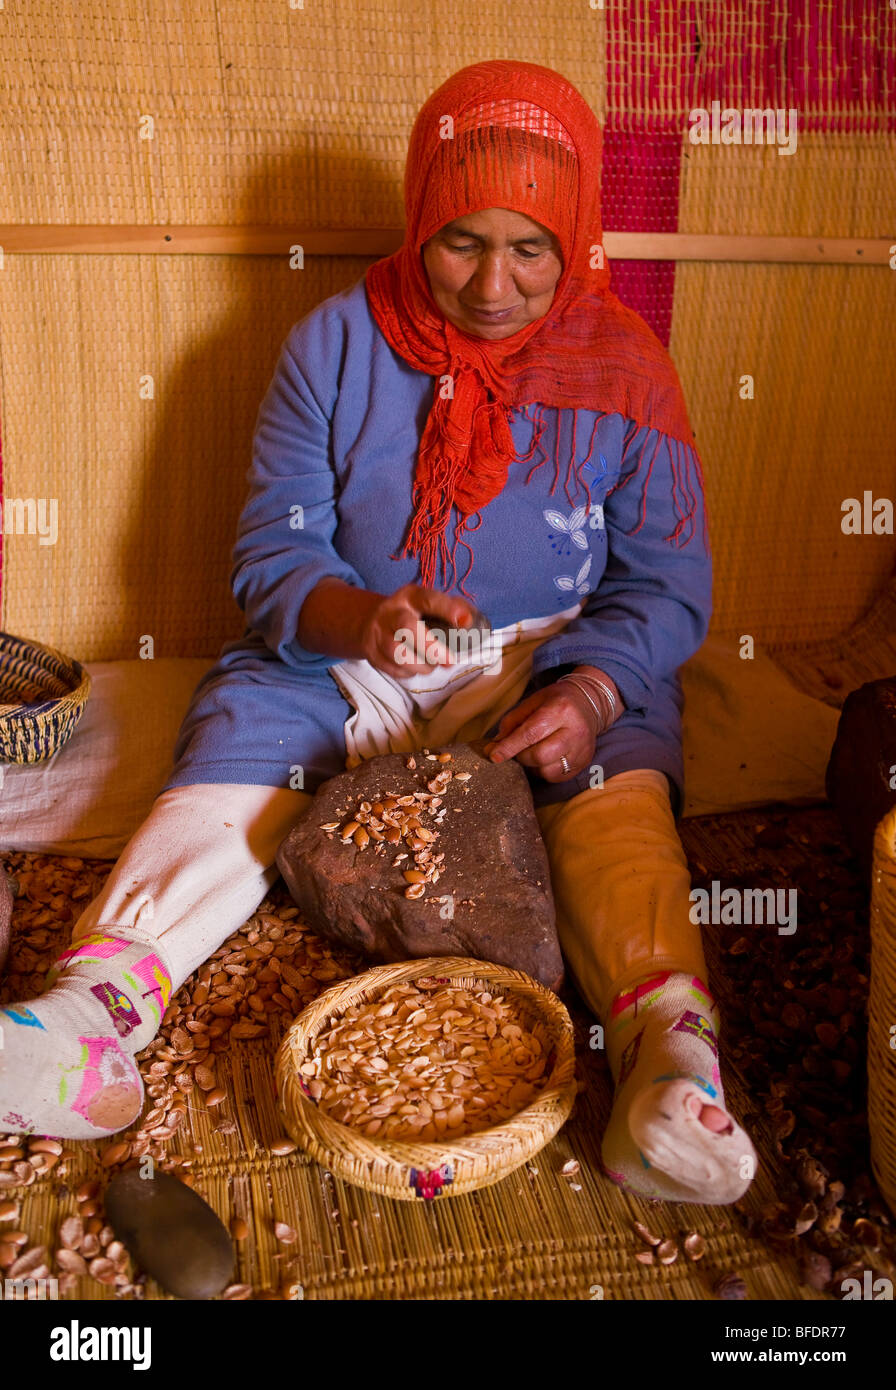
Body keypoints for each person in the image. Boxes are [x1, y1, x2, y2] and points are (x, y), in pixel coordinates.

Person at [0, 59, 755, 1205]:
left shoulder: (627, 373)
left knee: (614, 793)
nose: (492, 285)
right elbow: (271, 557)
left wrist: (592, 692)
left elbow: (668, 586)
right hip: (357, 653)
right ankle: (91, 1013)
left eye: (530, 248)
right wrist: (365, 618)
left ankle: (666, 1058)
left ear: (575, 239)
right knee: (249, 724)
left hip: (550, 655)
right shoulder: (335, 347)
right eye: (460, 241)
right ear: (417, 220)